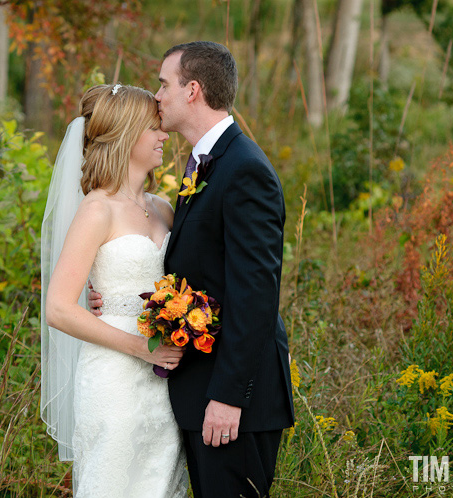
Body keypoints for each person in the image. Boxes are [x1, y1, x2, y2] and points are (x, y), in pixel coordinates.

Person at [89, 42, 295, 497]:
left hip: (235, 402)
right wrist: (112, 291)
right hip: (197, 392)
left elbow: (256, 294)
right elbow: (192, 269)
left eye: (164, 84)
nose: (157, 95)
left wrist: (227, 396)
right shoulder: (203, 163)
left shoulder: (244, 170)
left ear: (193, 91)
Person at [40, 84, 188, 497]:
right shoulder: (96, 209)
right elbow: (59, 309)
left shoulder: (163, 208)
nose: (164, 136)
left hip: (164, 380)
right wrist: (142, 348)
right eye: (153, 128)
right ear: (126, 134)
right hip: (115, 378)